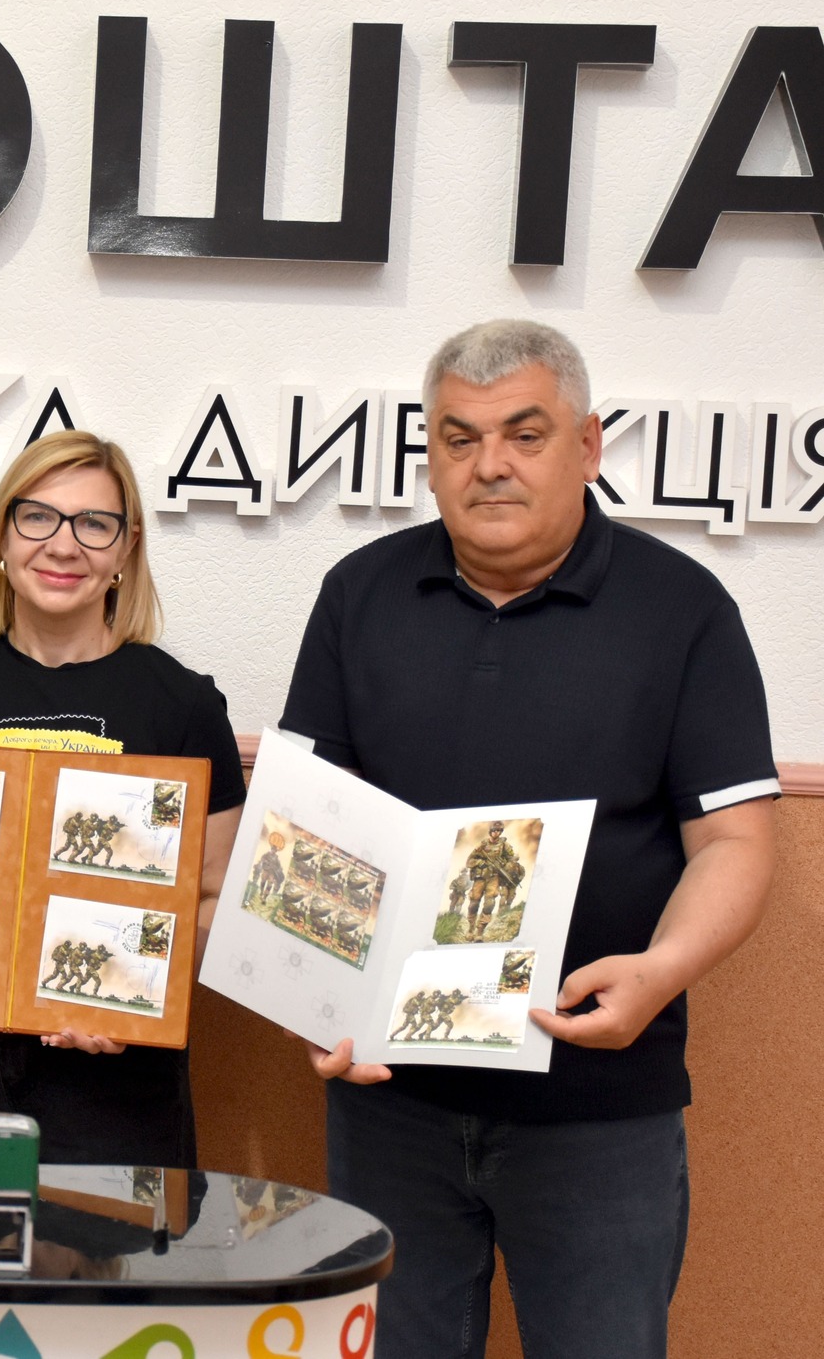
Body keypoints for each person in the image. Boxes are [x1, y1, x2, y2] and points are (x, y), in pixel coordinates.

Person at [282, 319, 777, 1358]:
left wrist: (659, 971)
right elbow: (305, 827)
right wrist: (310, 997)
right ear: (429, 456)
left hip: (598, 1105)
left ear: (586, 446)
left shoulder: (682, 609)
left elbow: (733, 842)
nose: (489, 464)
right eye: (458, 438)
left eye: (523, 433)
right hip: (390, 1103)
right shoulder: (357, 594)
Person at [0, 430, 246, 1167]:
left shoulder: (183, 706)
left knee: (113, 1245)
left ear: (126, 549)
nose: (63, 544)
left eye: (94, 524)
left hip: (118, 1091)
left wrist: (135, 996)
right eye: (38, 517)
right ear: (3, 536)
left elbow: (212, 898)